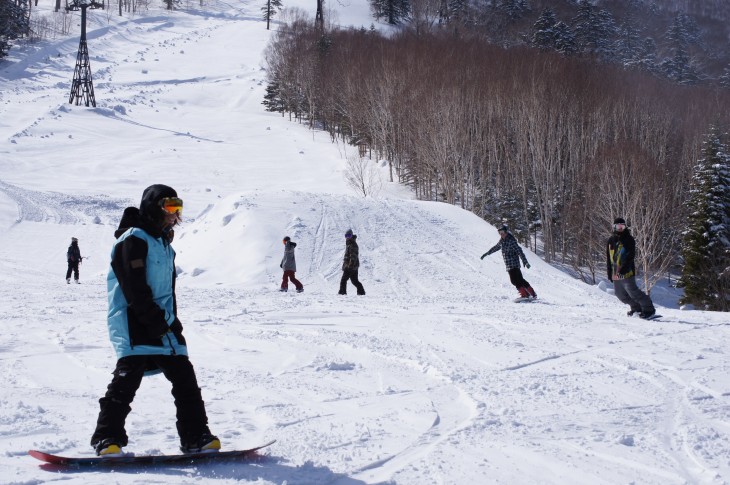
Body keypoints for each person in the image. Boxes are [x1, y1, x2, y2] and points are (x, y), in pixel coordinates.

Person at [90, 184, 220, 457]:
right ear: (153, 206)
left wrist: (172, 323)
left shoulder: (164, 244)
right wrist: (152, 320)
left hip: (164, 326)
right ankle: (106, 438)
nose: (175, 214)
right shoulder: (133, 239)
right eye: (170, 206)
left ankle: (195, 436)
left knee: (185, 380)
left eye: (178, 207)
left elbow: (167, 292)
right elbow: (133, 286)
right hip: (133, 322)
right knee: (126, 382)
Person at [606, 217, 656, 319]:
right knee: (620, 295)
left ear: (625, 227)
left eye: (622, 226)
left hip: (627, 272)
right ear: (614, 227)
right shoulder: (611, 240)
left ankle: (648, 309)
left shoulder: (628, 239)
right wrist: (609, 272)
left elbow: (630, 256)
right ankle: (636, 308)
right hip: (615, 272)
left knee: (633, 293)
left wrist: (624, 269)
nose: (620, 228)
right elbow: (609, 257)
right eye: (618, 226)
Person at [481, 225, 537, 299]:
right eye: (499, 232)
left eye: (502, 232)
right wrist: (487, 253)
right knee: (520, 279)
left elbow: (519, 251)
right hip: (509, 265)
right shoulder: (502, 241)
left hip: (514, 264)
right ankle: (532, 293)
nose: (501, 234)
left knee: (514, 281)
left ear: (506, 231)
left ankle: (525, 295)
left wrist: (525, 262)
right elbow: (496, 247)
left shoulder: (511, 240)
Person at [338, 229, 365, 295]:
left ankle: (342, 293)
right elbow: (347, 256)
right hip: (353, 266)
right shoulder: (349, 244)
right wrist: (344, 265)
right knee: (354, 281)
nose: (347, 237)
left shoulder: (353, 244)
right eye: (346, 236)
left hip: (351, 266)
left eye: (349, 236)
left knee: (343, 280)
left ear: (352, 235)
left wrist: (350, 266)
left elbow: (353, 256)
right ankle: (361, 292)